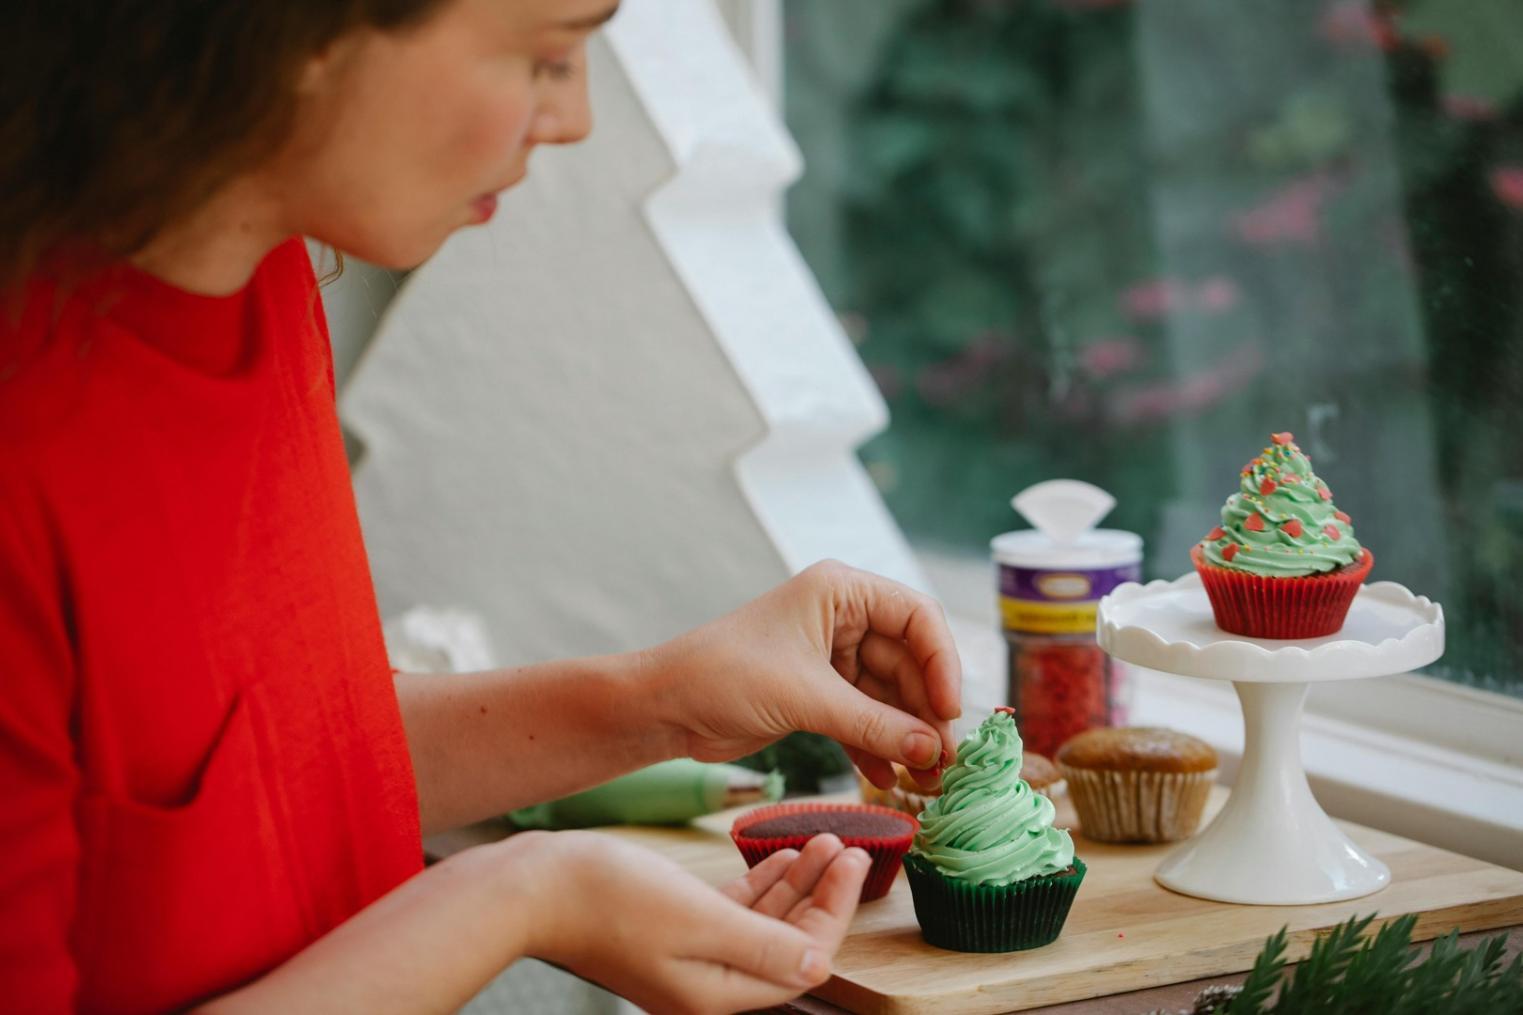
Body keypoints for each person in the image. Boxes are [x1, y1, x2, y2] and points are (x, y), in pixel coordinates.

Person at [0, 2, 963, 1012]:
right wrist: (523, 895)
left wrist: (667, 699)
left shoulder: (262, 278)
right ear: (292, 37)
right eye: (548, 56)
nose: (575, 116)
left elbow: (267, 769)